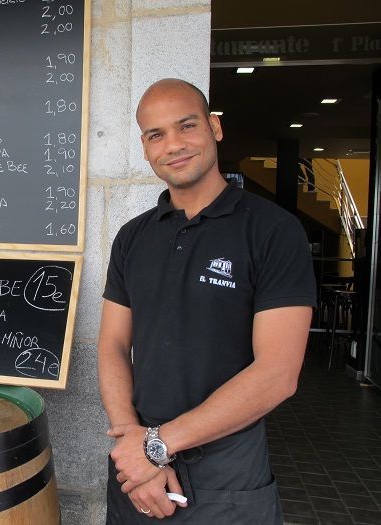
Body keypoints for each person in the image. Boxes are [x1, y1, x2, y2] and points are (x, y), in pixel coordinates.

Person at [98, 78, 316, 523]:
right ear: (144, 147)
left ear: (215, 128)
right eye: (156, 135)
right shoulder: (132, 237)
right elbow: (113, 346)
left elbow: (277, 373)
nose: (173, 145)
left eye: (187, 126)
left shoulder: (273, 231)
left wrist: (156, 446)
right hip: (137, 472)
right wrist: (133, 446)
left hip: (227, 476)